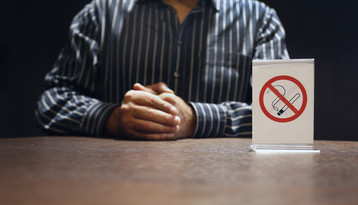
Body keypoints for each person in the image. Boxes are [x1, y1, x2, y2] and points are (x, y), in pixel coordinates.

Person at [35, 0, 289, 140]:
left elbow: (287, 121)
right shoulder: (98, 15)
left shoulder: (259, 21)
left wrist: (195, 119)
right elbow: (51, 103)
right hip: (115, 193)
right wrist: (112, 118)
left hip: (228, 196)